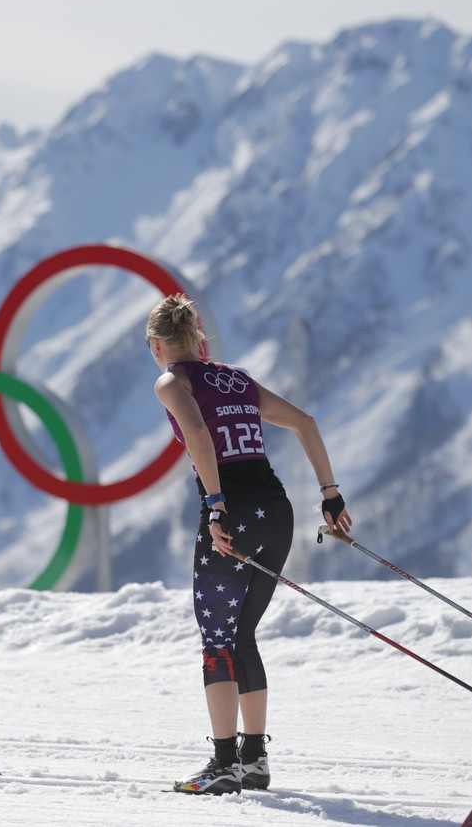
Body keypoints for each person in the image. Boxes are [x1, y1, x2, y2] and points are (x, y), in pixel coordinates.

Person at [146, 293, 352, 795]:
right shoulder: (235, 377)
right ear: (199, 337)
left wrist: (216, 505)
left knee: (217, 640)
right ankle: (253, 759)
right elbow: (305, 422)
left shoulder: (172, 381)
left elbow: (196, 432)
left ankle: (222, 764)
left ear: (157, 345)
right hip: (277, 511)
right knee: (243, 635)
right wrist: (331, 496)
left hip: (233, 514)